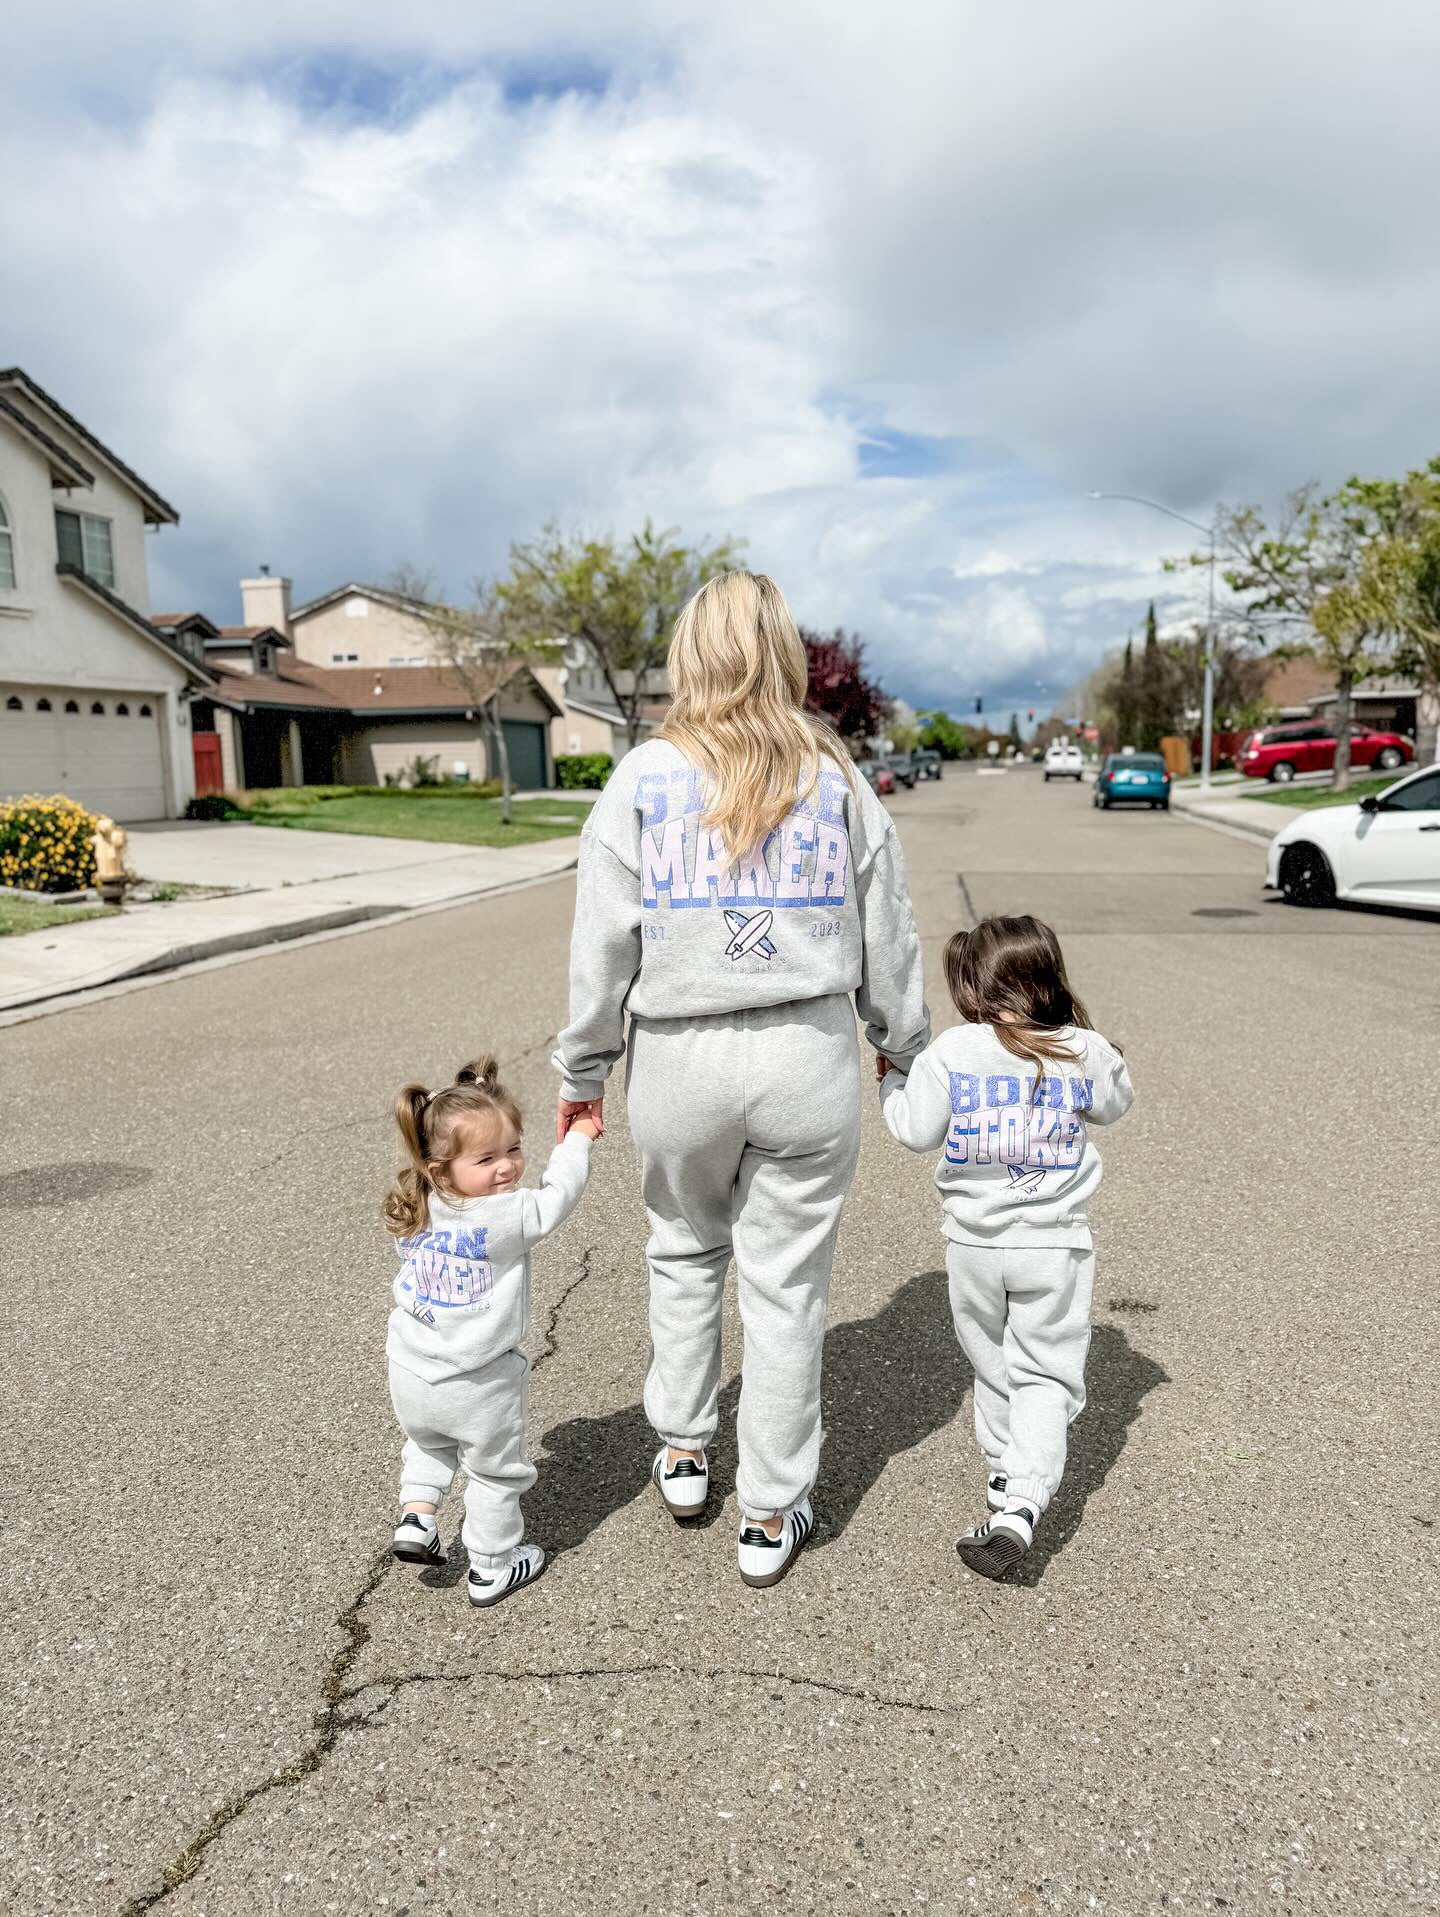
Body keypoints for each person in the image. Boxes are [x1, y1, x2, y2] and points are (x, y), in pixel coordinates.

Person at [553, 569, 929, 1589]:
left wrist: (583, 1066)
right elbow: (886, 931)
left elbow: (603, 948)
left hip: (679, 1059)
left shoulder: (643, 777)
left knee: (681, 1253)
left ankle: (681, 1449)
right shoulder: (836, 777)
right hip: (806, 1056)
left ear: (689, 653)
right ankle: (770, 1508)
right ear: (782, 653)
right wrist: (901, 1041)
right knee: (787, 1288)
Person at [878, 915, 1133, 1580]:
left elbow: (912, 1130)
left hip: (974, 1247)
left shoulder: (951, 1053)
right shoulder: (1081, 1048)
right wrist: (1104, 1054)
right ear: (1049, 976)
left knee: (993, 1365)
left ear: (973, 986)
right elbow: (1116, 1103)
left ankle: (1002, 1480)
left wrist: (889, 1083)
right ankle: (1023, 1502)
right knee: (1045, 1374)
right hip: (1053, 1245)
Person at [383, 1056, 598, 1609]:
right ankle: (492, 1567)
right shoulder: (503, 1216)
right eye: (487, 1158)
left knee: (428, 1443)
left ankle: (418, 1515)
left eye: (514, 1149)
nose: (507, 1168)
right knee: (495, 1474)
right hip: (477, 1380)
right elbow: (559, 1198)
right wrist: (577, 1138)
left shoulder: (420, 1201)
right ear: (441, 1168)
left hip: (410, 1369)